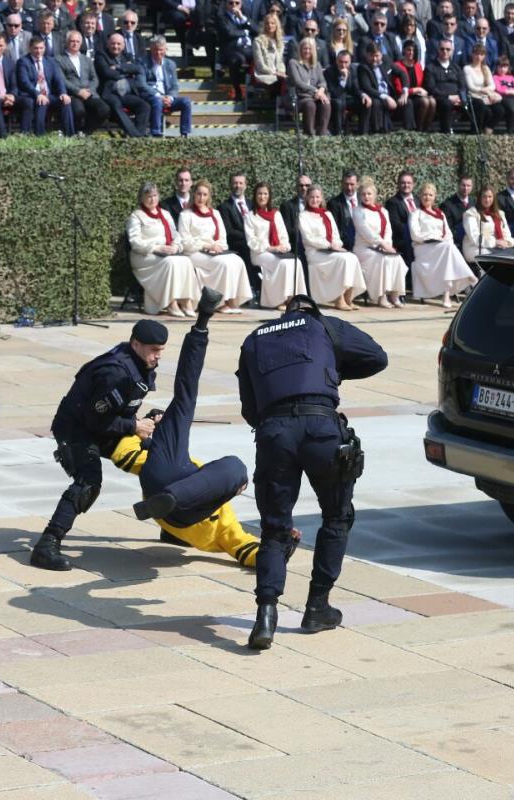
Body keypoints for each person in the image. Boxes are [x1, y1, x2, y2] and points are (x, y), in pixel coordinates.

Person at [237, 294, 388, 649]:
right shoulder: (324, 325)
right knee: (336, 517)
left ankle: (266, 615)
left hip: (274, 433)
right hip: (321, 428)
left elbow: (249, 407)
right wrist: (331, 372)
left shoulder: (255, 338)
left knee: (274, 529)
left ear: (282, 311)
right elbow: (377, 357)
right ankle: (317, 607)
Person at [129, 288, 257, 556]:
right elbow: (187, 383)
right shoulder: (158, 442)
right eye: (156, 416)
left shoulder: (165, 443)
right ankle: (171, 500)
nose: (159, 416)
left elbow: (245, 548)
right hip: (175, 497)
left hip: (171, 495)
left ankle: (169, 501)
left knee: (226, 469)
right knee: (235, 467)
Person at [32, 319, 166, 570]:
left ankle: (173, 526)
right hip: (77, 430)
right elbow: (95, 419)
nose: (158, 356)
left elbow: (121, 409)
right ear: (136, 343)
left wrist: (149, 419)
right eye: (153, 349)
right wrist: (134, 427)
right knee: (88, 482)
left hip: (103, 426)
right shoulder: (115, 372)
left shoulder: (140, 363)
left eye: (161, 350)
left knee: (157, 458)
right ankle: (46, 544)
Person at [178, 180, 253, 313]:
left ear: (209, 196)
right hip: (194, 252)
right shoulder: (185, 215)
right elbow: (185, 241)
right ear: (194, 194)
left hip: (214, 251)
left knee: (238, 261)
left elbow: (223, 238)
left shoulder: (215, 213)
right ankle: (219, 302)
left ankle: (231, 301)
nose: (201, 198)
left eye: (205, 195)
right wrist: (207, 245)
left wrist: (216, 246)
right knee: (224, 264)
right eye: (199, 194)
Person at [127, 182, 200, 317]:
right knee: (170, 263)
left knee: (186, 261)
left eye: (155, 195)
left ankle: (186, 301)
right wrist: (157, 247)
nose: (152, 199)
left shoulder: (165, 214)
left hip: (166, 252)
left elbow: (176, 235)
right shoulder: (136, 216)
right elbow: (135, 242)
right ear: (142, 198)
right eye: (149, 196)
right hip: (144, 255)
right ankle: (170, 302)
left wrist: (176, 246)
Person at [409, 182, 475, 307]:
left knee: (449, 247)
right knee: (448, 248)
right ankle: (468, 276)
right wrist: (434, 238)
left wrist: (444, 240)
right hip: (423, 248)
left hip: (441, 248)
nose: (427, 198)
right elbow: (415, 235)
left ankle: (446, 294)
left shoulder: (440, 214)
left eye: (430, 195)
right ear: (420, 196)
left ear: (434, 197)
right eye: (424, 195)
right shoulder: (415, 214)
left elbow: (448, 234)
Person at [300, 184, 365, 310]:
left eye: (317, 197)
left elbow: (335, 234)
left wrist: (337, 245)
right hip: (315, 252)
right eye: (312, 197)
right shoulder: (303, 216)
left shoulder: (327, 214)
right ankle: (339, 299)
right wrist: (329, 245)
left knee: (352, 257)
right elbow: (309, 239)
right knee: (342, 260)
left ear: (321, 198)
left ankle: (348, 297)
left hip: (331, 250)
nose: (315, 200)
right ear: (307, 198)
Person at [246, 181, 306, 310]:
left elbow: (284, 236)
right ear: (255, 196)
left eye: (265, 194)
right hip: (260, 253)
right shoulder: (250, 216)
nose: (262, 197)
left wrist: (284, 246)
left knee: (296, 262)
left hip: (278, 252)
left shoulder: (276, 214)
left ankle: (293, 298)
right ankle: (278, 300)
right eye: (260, 194)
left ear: (269, 196)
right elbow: (252, 241)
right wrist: (271, 248)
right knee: (283, 264)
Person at [353, 177, 407, 308]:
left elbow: (388, 230)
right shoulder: (357, 211)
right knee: (381, 260)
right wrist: (382, 244)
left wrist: (386, 245)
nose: (366, 197)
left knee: (398, 259)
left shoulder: (383, 211)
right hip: (364, 248)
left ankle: (395, 295)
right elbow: (365, 231)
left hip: (383, 247)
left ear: (374, 195)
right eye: (363, 194)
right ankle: (380, 296)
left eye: (369, 194)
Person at [95, 31, 150, 137]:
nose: (116, 46)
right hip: (110, 93)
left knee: (144, 106)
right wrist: (125, 71)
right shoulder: (101, 55)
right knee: (116, 106)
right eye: (113, 43)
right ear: (108, 44)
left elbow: (137, 68)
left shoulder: (127, 55)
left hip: (126, 92)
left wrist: (118, 67)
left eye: (119, 44)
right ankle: (137, 137)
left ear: (123, 46)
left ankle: (138, 133)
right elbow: (106, 72)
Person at [16, 36, 71, 135]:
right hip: (33, 94)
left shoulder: (50, 61)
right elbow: (24, 82)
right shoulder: (23, 62)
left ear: (45, 48)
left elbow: (58, 79)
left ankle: (70, 134)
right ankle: (39, 135)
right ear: (30, 48)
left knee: (65, 102)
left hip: (49, 94)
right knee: (41, 102)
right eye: (36, 48)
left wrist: (63, 93)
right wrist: (38, 94)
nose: (39, 51)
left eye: (41, 48)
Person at [56, 29, 107, 135]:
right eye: (72, 41)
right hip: (72, 94)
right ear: (67, 42)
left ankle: (85, 132)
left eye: (77, 41)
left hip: (89, 93)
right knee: (79, 111)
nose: (75, 44)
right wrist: (78, 91)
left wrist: (90, 90)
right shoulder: (59, 59)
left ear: (81, 43)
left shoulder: (86, 59)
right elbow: (62, 80)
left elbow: (94, 78)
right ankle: (74, 133)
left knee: (104, 109)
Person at [141, 36, 191, 137]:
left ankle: (185, 133)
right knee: (157, 101)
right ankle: (156, 132)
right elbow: (142, 84)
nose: (158, 53)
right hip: (151, 96)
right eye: (155, 50)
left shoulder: (170, 64)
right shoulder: (142, 62)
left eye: (161, 50)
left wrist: (170, 97)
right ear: (150, 49)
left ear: (165, 49)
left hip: (167, 97)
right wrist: (158, 96)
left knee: (186, 101)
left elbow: (174, 85)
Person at [462, 186, 514, 266]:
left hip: (498, 247)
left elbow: (506, 233)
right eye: (484, 197)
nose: (487, 200)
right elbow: (475, 237)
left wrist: (506, 242)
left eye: (490, 197)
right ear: (480, 198)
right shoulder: (471, 214)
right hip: (476, 247)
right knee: (500, 258)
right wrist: (495, 242)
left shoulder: (500, 214)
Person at [289, 36, 330, 135]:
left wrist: (321, 90)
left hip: (316, 96)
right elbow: (298, 82)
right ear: (300, 49)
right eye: (305, 48)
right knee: (310, 105)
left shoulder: (317, 65)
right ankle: (309, 135)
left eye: (310, 49)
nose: (307, 51)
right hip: (300, 97)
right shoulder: (293, 63)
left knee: (326, 103)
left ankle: (321, 134)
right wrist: (316, 91)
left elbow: (323, 81)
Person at [424, 38, 464, 134]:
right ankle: (446, 132)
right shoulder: (430, 67)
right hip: (440, 99)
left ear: (452, 51)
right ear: (438, 50)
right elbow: (431, 88)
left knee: (476, 104)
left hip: (457, 99)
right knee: (446, 104)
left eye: (448, 49)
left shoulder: (456, 68)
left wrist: (460, 97)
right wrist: (448, 97)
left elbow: (462, 86)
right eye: (442, 49)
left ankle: (476, 134)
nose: (445, 51)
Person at [218, 0, 255, 100]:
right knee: (235, 60)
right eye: (231, 3)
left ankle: (251, 90)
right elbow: (229, 33)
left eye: (237, 3)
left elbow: (256, 30)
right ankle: (237, 91)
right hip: (231, 49)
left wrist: (242, 18)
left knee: (258, 58)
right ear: (226, 4)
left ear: (241, 4)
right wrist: (245, 32)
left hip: (249, 48)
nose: (234, 5)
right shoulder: (222, 17)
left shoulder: (245, 16)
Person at [393, 40, 433, 131]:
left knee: (432, 101)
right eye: (408, 50)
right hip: (402, 97)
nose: (411, 53)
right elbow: (399, 89)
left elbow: (422, 84)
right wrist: (415, 90)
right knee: (425, 102)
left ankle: (426, 129)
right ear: (403, 51)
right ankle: (418, 130)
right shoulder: (397, 65)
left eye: (413, 50)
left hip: (416, 97)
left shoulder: (418, 66)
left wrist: (422, 91)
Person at [252, 12, 288, 94]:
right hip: (264, 74)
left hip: (278, 75)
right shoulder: (258, 41)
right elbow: (260, 65)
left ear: (277, 25)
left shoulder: (280, 42)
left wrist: (282, 72)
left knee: (289, 81)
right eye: (267, 23)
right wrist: (275, 73)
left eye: (272, 23)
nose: (270, 25)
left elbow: (280, 62)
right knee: (284, 83)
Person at [441, 174, 474, 249]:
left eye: (468, 186)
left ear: (472, 187)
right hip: (457, 244)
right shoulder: (447, 205)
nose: (466, 188)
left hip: (473, 242)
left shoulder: (475, 203)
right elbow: (448, 228)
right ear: (458, 185)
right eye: (463, 185)